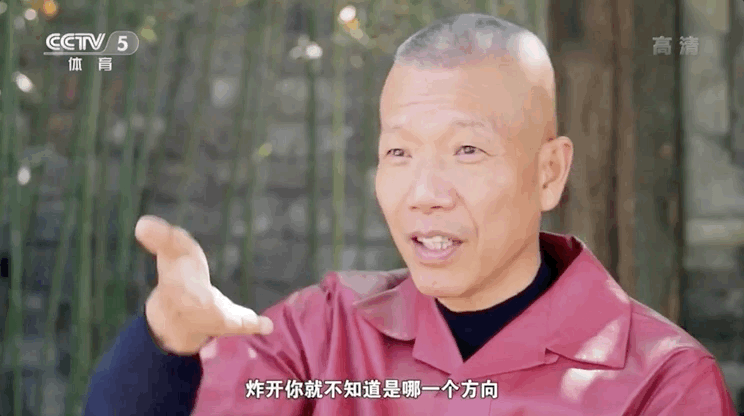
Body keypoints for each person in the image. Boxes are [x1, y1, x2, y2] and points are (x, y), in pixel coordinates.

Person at [83, 13, 738, 416]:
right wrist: (168, 337)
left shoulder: (661, 382)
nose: (424, 192)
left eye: (467, 150)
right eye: (398, 152)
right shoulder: (322, 336)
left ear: (549, 172)